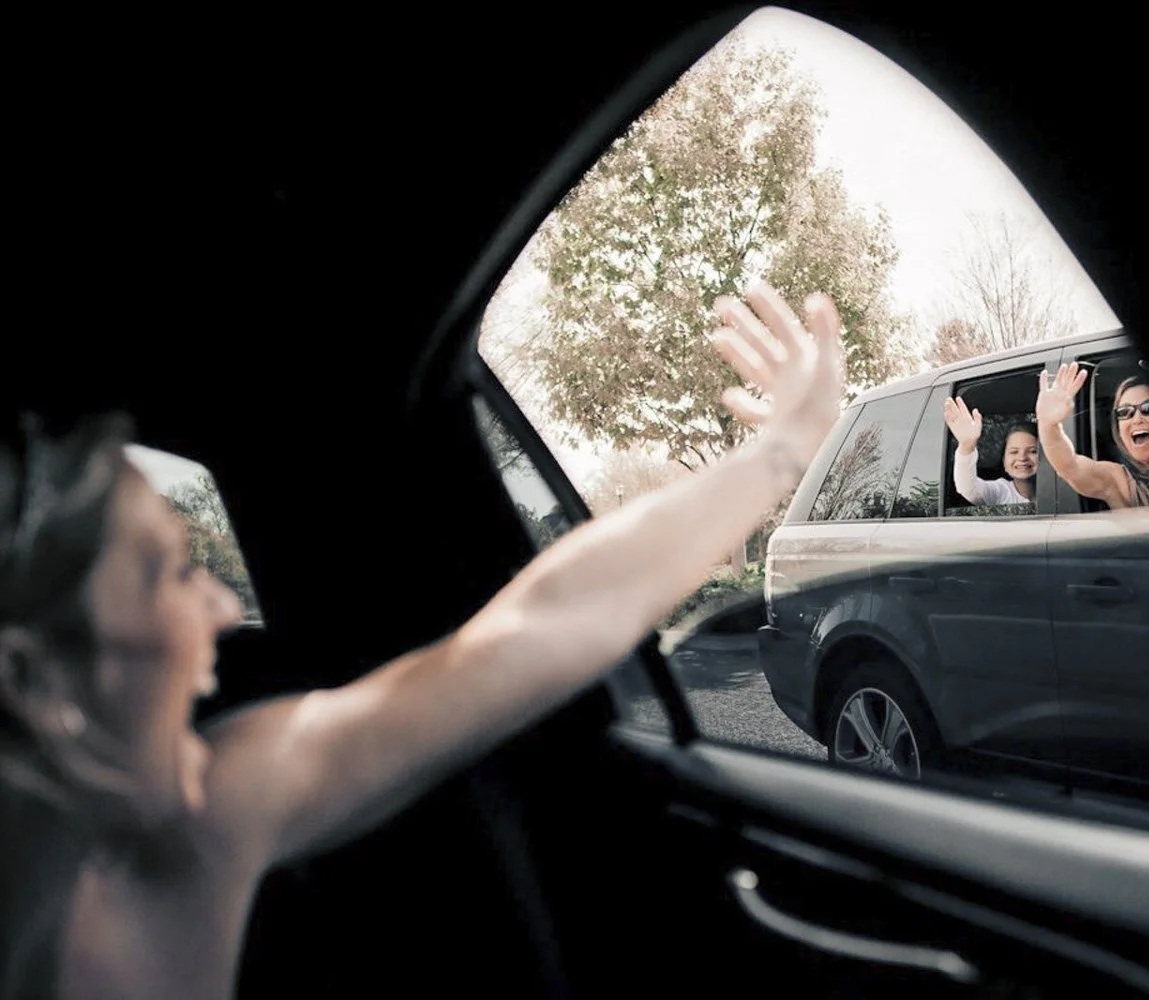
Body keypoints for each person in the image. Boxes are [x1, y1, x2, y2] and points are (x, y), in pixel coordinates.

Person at [0, 282, 847, 1000]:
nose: (222, 609)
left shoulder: (208, 819)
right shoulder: (189, 842)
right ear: (30, 679)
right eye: (171, 573)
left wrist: (780, 455)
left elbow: (540, 626)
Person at [1034, 360, 1149, 509]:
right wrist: (1048, 424)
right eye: (1124, 412)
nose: (1137, 419)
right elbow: (1070, 466)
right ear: (1118, 429)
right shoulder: (1118, 480)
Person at [941, 395, 1037, 506]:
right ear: (1004, 461)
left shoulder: (1054, 490)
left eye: (1032, 451)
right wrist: (967, 445)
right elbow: (968, 488)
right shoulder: (1001, 491)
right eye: (1014, 452)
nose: (1022, 457)